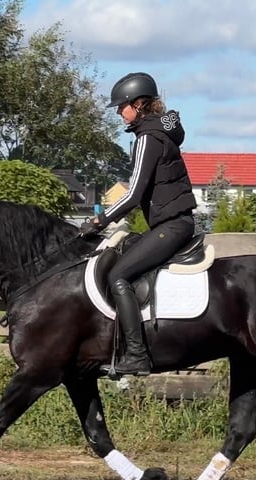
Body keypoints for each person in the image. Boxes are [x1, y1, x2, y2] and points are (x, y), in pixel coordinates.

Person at [79, 72, 197, 376]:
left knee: (118, 275)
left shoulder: (147, 138)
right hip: (172, 223)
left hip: (171, 226)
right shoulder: (160, 131)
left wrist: (98, 221)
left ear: (140, 104)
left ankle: (137, 354)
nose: (120, 112)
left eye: (122, 106)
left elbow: (133, 195)